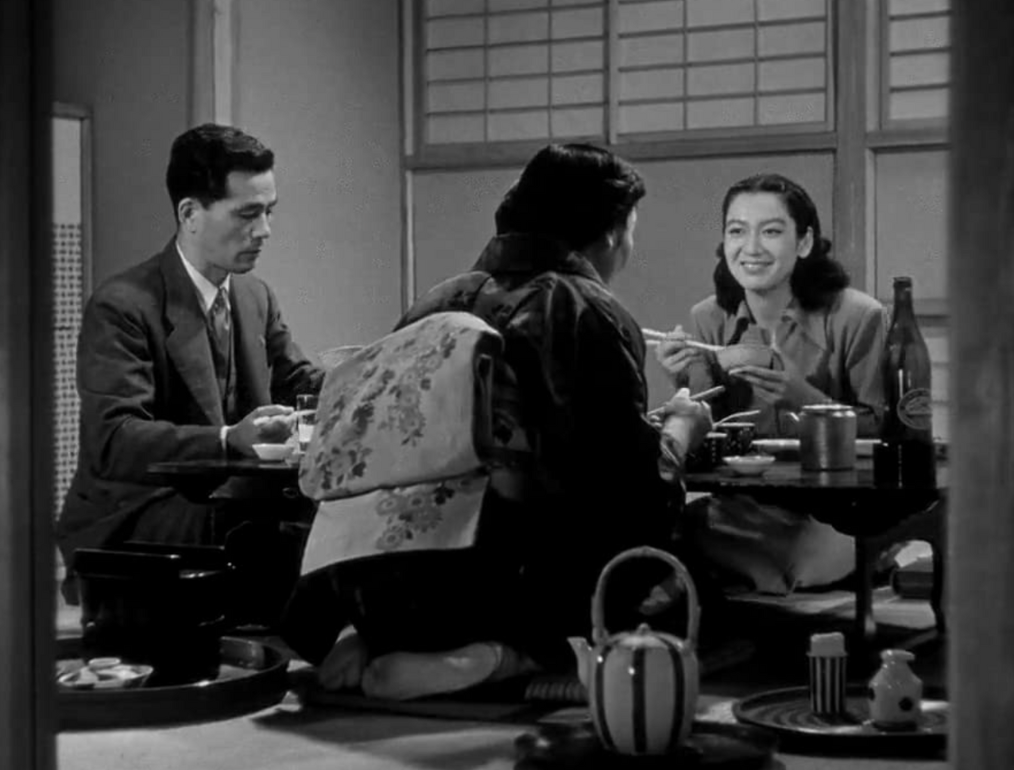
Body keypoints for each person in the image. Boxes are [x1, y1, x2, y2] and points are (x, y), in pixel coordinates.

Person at [284, 143, 712, 700]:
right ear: (609, 233)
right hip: (512, 583)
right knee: (686, 577)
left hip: (381, 578)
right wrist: (680, 430)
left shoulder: (438, 302)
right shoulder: (587, 307)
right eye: (629, 230)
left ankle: (372, 638)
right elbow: (629, 486)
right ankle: (503, 657)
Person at [57, 124, 324, 611]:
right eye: (247, 214)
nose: (264, 231)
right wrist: (228, 439)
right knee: (264, 531)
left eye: (268, 212)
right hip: (135, 510)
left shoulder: (253, 296)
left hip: (224, 496)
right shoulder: (123, 305)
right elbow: (115, 438)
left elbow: (301, 380)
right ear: (190, 214)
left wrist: (377, 378)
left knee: (325, 506)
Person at [655, 172, 886, 594]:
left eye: (772, 231)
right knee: (664, 529)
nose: (752, 248)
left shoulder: (858, 316)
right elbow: (714, 433)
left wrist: (806, 399)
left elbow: (883, 429)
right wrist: (683, 377)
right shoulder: (709, 317)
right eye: (737, 231)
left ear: (804, 242)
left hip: (835, 509)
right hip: (744, 504)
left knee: (800, 552)